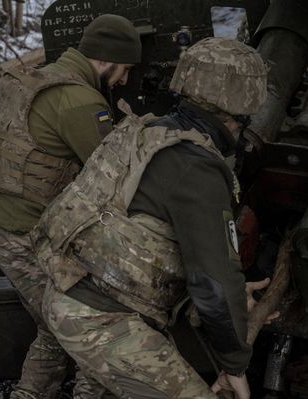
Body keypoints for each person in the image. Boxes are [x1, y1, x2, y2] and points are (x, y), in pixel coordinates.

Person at [33, 37, 272, 399]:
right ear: (238, 115)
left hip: (67, 291)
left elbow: (147, 237)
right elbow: (213, 283)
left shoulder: (145, 131)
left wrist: (235, 298)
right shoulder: (199, 169)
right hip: (101, 319)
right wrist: (235, 364)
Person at [0, 14, 142, 399]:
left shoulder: (26, 78)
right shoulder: (81, 102)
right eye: (124, 70)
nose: (125, 81)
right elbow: (111, 177)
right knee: (88, 325)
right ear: (105, 60)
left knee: (57, 323)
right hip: (23, 234)